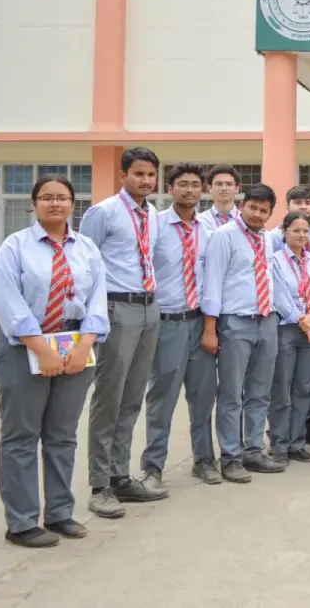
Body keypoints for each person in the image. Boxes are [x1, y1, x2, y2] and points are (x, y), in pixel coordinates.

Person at [0, 175, 108, 548]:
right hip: (23, 347)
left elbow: (98, 301)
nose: (54, 204)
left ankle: (59, 513)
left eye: (62, 198)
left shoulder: (87, 248)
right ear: (34, 204)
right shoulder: (16, 246)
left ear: (73, 204)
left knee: (62, 436)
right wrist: (42, 350)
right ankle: (22, 521)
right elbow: (9, 300)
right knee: (21, 437)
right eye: (46, 198)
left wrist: (82, 345)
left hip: (76, 347)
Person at [78, 146, 166, 517]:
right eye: (139, 174)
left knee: (132, 397)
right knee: (109, 398)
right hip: (116, 308)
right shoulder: (104, 213)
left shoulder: (153, 215)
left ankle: (119, 476)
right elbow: (83, 265)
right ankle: (99, 485)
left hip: (148, 308)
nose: (145, 181)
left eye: (150, 175)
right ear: (123, 175)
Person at [140, 163, 219, 490]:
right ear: (170, 188)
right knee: (162, 397)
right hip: (167, 323)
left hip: (200, 322)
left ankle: (204, 461)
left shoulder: (210, 230)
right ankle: (153, 467)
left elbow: (214, 280)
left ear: (202, 190)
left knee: (203, 397)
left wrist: (212, 327)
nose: (189, 190)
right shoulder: (154, 226)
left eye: (195, 185)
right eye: (182, 184)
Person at [202, 183, 285, 481]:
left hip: (266, 320)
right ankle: (230, 456)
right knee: (231, 393)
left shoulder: (265, 238)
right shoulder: (224, 236)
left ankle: (253, 450)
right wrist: (210, 329)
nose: (258, 214)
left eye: (265, 210)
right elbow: (212, 282)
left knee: (260, 393)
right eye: (254, 207)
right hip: (235, 323)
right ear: (243, 204)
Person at [270, 212, 310, 465]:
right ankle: (279, 445)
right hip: (288, 328)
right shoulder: (274, 260)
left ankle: (296, 443)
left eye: (306, 231)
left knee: (303, 389)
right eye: (296, 230)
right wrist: (302, 322)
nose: (301, 235)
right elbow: (279, 296)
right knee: (282, 391)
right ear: (284, 231)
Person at [269, 185, 310, 251]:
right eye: (298, 203)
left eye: (308, 203)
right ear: (287, 206)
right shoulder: (274, 237)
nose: (303, 207)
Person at [197, 163, 240, 232]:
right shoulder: (200, 221)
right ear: (210, 188)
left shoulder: (246, 221)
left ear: (237, 188)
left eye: (229, 184)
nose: (224, 188)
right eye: (219, 184)